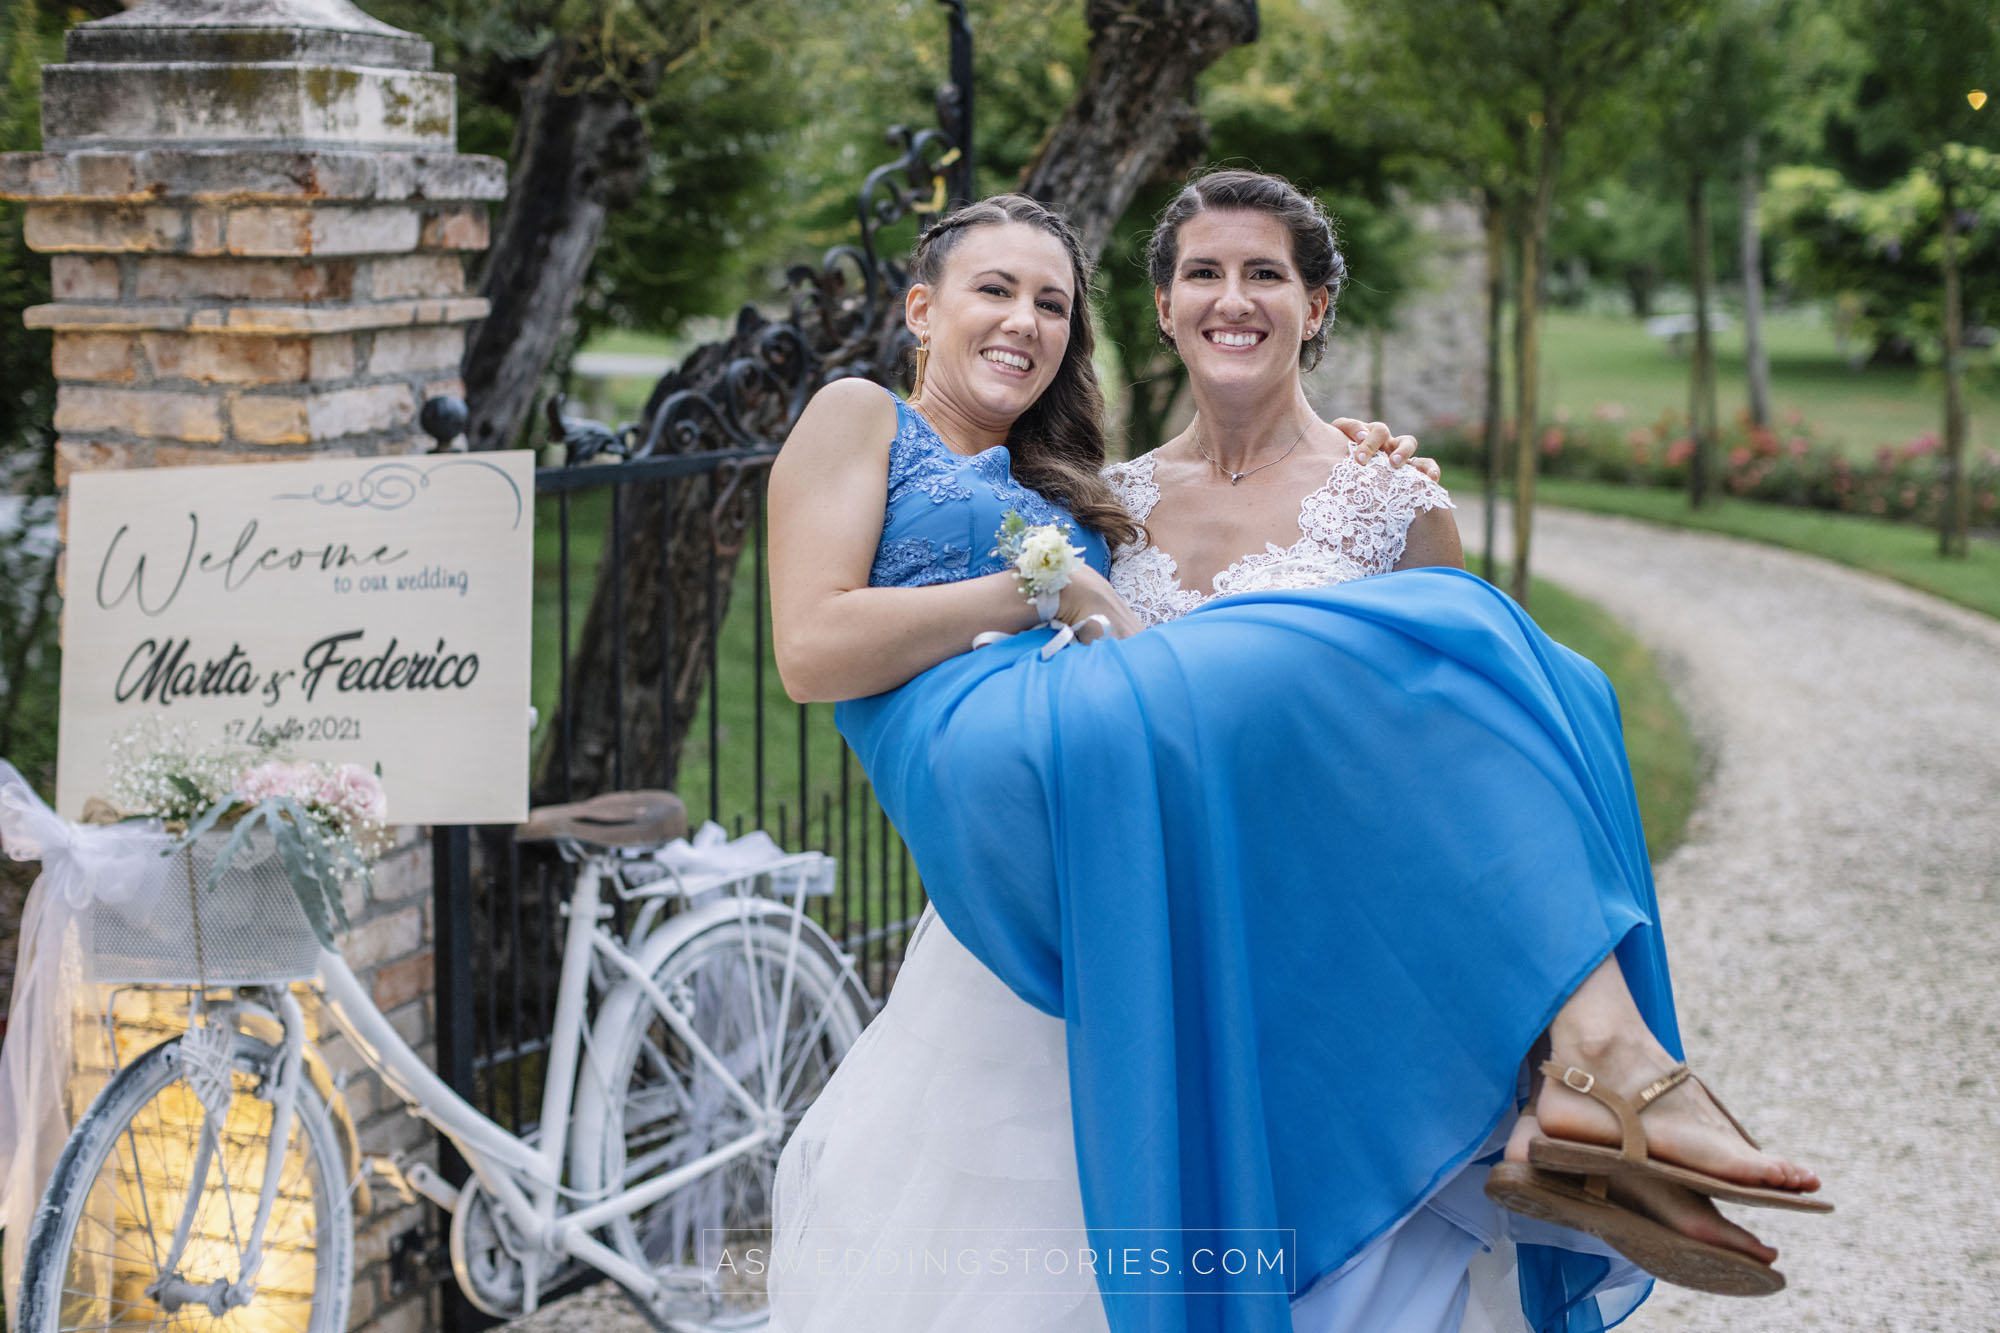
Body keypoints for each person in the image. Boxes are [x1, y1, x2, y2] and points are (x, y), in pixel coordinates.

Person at [763, 188, 1826, 1333]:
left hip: (1236, 877)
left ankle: (1585, 1059)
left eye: (1049, 301)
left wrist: (1369, 474)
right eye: (995, 290)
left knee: (1537, 673)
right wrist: (1041, 585)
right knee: (1469, 634)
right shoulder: (996, 467)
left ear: (1314, 306)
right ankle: (1603, 1064)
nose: (1024, 319)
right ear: (1161, 307)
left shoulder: (1090, 486)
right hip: (1063, 802)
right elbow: (830, 646)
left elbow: (1456, 777)